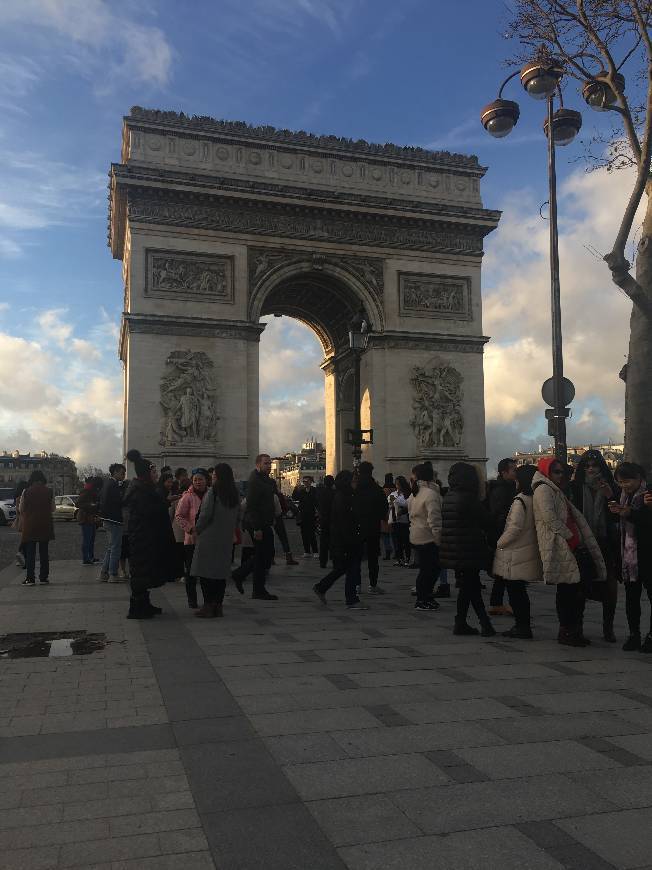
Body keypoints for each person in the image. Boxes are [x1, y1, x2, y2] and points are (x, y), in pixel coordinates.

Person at [533, 457, 606, 647]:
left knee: (576, 589)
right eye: (556, 471)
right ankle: (567, 630)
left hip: (570, 544)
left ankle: (575, 629)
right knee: (567, 591)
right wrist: (569, 536)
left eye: (563, 472)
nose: (560, 475)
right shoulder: (543, 489)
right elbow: (550, 518)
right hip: (562, 545)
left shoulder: (555, 489)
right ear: (546, 471)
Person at [570, 449, 621, 642]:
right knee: (581, 586)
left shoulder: (611, 487)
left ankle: (608, 628)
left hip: (605, 541)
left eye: (595, 466)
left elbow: (618, 515)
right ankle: (578, 627)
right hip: (584, 542)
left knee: (609, 586)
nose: (591, 469)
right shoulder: (576, 487)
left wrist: (610, 496)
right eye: (588, 466)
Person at [440, 462, 495, 637]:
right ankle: (485, 624)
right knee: (471, 587)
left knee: (467, 587)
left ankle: (461, 622)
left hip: (454, 548)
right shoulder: (468, 498)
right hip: (468, 548)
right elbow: (487, 521)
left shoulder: (449, 495)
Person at [123, 449, 176, 618]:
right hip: (142, 536)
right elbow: (147, 512)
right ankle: (137, 608)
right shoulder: (140, 490)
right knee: (140, 571)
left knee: (145, 571)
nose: (156, 475)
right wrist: (165, 503)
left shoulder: (145, 488)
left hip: (147, 535)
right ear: (146, 474)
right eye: (153, 472)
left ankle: (145, 603)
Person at [493, 464, 541, 639]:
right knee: (520, 591)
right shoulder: (535, 498)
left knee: (516, 592)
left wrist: (499, 543)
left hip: (515, 552)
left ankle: (522, 626)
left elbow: (514, 529)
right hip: (527, 549)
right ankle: (523, 625)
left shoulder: (520, 500)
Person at [609, 463, 652, 652]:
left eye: (628, 480)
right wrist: (615, 508)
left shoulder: (648, 494)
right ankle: (634, 634)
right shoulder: (623, 496)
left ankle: (651, 636)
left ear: (639, 478)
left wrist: (631, 513)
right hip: (629, 556)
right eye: (620, 482)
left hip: (647, 553)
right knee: (631, 597)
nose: (624, 485)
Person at [192, 463, 241, 618]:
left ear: (218, 477)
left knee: (206, 573)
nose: (212, 478)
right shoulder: (235, 494)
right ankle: (218, 606)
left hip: (209, 537)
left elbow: (205, 515)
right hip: (226, 538)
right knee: (220, 573)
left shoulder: (213, 492)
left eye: (213, 476)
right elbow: (238, 516)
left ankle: (207, 606)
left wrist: (197, 529)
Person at [313, 470, 364, 608]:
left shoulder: (344, 495)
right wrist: (351, 541)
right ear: (346, 482)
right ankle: (351, 599)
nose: (356, 483)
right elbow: (344, 523)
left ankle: (321, 587)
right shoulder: (343, 498)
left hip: (343, 539)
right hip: (346, 541)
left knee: (342, 568)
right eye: (353, 480)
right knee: (352, 569)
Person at [232, 453, 278, 601]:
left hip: (265, 522)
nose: (269, 465)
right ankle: (257, 588)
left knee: (264, 555)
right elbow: (251, 506)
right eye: (266, 463)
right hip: (256, 523)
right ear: (257, 464)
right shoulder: (255, 481)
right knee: (263, 555)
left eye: (270, 463)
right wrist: (257, 528)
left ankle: (241, 576)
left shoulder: (267, 480)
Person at [408, 463, 442, 611]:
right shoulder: (431, 494)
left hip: (416, 535)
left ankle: (426, 597)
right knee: (430, 570)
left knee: (426, 569)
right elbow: (434, 520)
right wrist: (438, 539)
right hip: (428, 537)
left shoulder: (414, 494)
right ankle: (423, 599)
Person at [487, 458, 518, 616]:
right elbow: (500, 515)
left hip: (502, 535)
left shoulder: (505, 487)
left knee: (502, 573)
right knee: (509, 573)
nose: (516, 471)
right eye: (513, 469)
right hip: (503, 535)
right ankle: (510, 604)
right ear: (503, 472)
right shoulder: (502, 490)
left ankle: (496, 602)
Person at [175, 468, 209, 608]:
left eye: (200, 479)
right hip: (192, 540)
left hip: (208, 540)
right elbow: (179, 516)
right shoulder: (187, 497)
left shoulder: (212, 495)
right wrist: (189, 528)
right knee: (191, 572)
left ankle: (208, 599)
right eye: (195, 479)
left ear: (207, 480)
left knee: (207, 572)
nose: (198, 482)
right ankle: (192, 600)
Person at [353, 461, 389, 594]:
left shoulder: (355, 489)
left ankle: (356, 585)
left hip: (357, 527)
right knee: (373, 558)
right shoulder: (376, 488)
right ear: (371, 471)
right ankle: (373, 585)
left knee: (356, 557)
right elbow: (384, 507)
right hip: (373, 527)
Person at [19, 470, 54, 586]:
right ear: (42, 479)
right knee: (44, 553)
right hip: (45, 524)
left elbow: (21, 508)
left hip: (30, 525)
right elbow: (53, 508)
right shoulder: (49, 491)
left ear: (32, 479)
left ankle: (30, 578)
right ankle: (43, 577)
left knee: (30, 553)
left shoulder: (26, 491)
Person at [98, 463, 126, 583]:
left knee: (111, 547)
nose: (124, 475)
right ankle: (113, 574)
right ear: (115, 472)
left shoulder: (106, 484)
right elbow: (119, 501)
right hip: (114, 519)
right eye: (122, 473)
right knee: (116, 548)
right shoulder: (114, 485)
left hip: (107, 519)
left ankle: (104, 573)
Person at [271, 480, 299, 566]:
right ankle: (288, 557)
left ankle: (271, 558)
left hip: (267, 518)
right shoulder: (278, 495)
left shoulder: (263, 494)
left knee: (270, 538)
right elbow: (283, 507)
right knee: (283, 537)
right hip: (278, 517)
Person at [77, 476, 100, 565]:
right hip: (86, 518)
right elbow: (78, 503)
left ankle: (90, 557)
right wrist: (92, 505)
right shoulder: (86, 492)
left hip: (90, 518)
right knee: (87, 540)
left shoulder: (90, 492)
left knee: (90, 539)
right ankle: (86, 558)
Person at [390, 476, 412, 567]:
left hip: (405, 520)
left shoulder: (408, 494)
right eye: (396, 484)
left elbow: (409, 505)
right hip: (396, 520)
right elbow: (390, 504)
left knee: (406, 540)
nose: (397, 486)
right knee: (397, 541)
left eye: (398, 484)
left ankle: (407, 558)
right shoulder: (393, 494)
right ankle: (399, 558)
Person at [296, 475, 319, 557]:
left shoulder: (314, 490)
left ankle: (315, 551)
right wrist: (296, 487)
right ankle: (307, 551)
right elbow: (295, 497)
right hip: (303, 515)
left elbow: (316, 501)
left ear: (310, 481)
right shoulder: (302, 491)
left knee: (312, 534)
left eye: (307, 481)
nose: (305, 483)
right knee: (304, 534)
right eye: (304, 481)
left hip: (312, 515)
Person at [317, 475, 335, 568]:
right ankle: (334, 558)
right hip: (333, 520)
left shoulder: (320, 493)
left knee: (323, 542)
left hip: (323, 520)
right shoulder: (335, 493)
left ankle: (322, 561)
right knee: (334, 541)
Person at [13, 480, 28, 569]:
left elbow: (17, 510)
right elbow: (20, 509)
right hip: (24, 519)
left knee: (24, 538)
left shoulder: (17, 497)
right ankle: (20, 555)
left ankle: (21, 556)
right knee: (25, 539)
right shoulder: (21, 497)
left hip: (20, 519)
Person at [381, 483, 394, 561]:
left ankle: (388, 549)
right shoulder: (393, 491)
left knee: (385, 534)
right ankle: (395, 551)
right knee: (393, 535)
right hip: (391, 514)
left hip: (385, 514)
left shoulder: (384, 490)